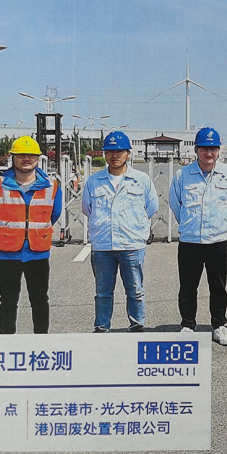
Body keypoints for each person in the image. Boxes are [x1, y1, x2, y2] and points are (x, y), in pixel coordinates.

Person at [0, 136, 62, 334]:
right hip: (7, 252)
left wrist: (35, 233)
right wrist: (7, 233)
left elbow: (54, 214)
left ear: (38, 158)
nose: (26, 159)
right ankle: (8, 341)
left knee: (40, 299)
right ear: (13, 157)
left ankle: (40, 340)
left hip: (38, 252)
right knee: (8, 300)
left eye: (31, 155)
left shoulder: (51, 186)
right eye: (21, 155)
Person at [82, 131, 158, 332]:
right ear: (104, 154)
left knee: (135, 290)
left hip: (131, 244)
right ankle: (102, 328)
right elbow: (87, 209)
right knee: (103, 293)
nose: (114, 155)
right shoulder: (94, 181)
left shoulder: (141, 180)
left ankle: (136, 326)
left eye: (120, 151)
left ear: (128, 154)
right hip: (103, 245)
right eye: (110, 151)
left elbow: (152, 207)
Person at [169, 127, 227, 346]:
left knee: (218, 286)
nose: (209, 153)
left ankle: (219, 326)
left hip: (217, 240)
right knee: (188, 286)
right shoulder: (182, 175)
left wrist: (218, 223)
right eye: (204, 148)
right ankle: (187, 325)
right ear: (196, 150)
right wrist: (190, 224)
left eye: (213, 148)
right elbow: (176, 204)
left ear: (219, 151)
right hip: (190, 240)